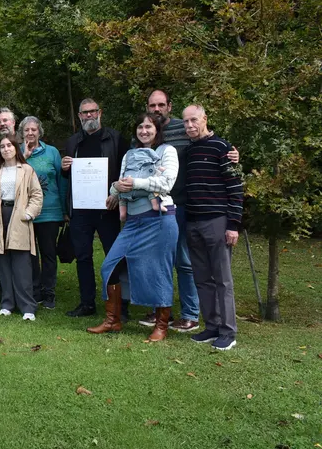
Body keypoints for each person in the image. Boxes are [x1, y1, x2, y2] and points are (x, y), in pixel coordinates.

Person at [135, 90, 240, 332]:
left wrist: (232, 154)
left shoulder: (184, 129)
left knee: (185, 262)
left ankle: (190, 314)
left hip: (184, 206)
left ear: (169, 106)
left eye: (161, 104)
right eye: (152, 105)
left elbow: (210, 144)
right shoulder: (145, 131)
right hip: (155, 206)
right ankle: (161, 310)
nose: (157, 109)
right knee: (159, 259)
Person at [89, 113, 179, 340]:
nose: (144, 131)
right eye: (140, 127)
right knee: (109, 265)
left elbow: (167, 182)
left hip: (159, 219)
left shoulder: (167, 151)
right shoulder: (129, 154)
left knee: (159, 271)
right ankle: (113, 320)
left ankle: (161, 325)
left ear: (157, 130)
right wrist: (115, 189)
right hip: (132, 222)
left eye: (148, 126)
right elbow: (120, 183)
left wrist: (135, 183)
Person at [182, 105, 243, 352]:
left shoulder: (223, 148)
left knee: (222, 280)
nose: (189, 125)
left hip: (216, 221)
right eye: (186, 122)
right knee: (202, 278)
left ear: (205, 119)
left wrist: (233, 225)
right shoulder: (188, 151)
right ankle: (212, 326)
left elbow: (235, 188)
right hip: (193, 221)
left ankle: (228, 332)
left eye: (194, 120)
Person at [61, 98, 129, 317]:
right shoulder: (73, 142)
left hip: (107, 208)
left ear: (100, 113)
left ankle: (120, 305)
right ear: (79, 116)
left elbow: (125, 171)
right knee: (83, 257)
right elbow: (68, 176)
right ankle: (87, 303)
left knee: (113, 256)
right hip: (81, 210)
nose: (89, 115)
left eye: (92, 111)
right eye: (85, 112)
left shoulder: (115, 138)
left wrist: (117, 195)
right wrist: (64, 168)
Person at [0, 136, 43, 320]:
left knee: (21, 263)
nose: (6, 149)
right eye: (2, 146)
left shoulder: (26, 169)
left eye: (9, 145)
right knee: (3, 262)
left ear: (16, 148)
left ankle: (27, 306)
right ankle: (7, 303)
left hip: (19, 216)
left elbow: (36, 194)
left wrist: (29, 214)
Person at [19, 115, 68, 309]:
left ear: (40, 132)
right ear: (22, 133)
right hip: (26, 213)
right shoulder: (17, 152)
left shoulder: (52, 152)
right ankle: (35, 290)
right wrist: (25, 156)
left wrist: (64, 209)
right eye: (26, 130)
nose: (30, 133)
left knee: (48, 253)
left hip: (50, 212)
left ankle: (49, 292)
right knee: (30, 254)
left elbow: (61, 180)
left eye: (34, 129)